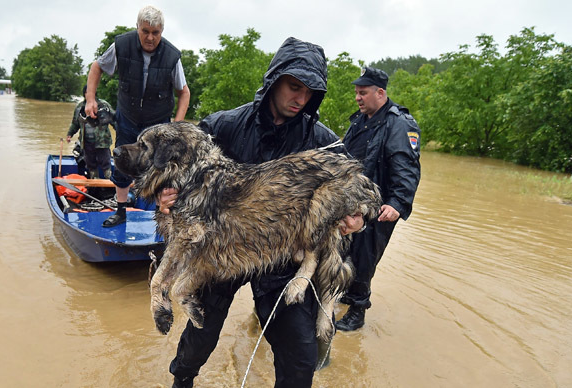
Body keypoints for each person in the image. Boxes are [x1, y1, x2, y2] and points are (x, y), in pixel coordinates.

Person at [157, 37, 364, 388]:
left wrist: (356, 219)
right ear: (274, 80)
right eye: (294, 87)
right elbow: (171, 162)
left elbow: (358, 192)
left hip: (283, 259)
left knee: (300, 354)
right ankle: (182, 380)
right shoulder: (223, 126)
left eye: (310, 92)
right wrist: (166, 192)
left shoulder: (325, 143)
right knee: (199, 338)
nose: (300, 99)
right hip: (222, 251)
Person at [84, 5, 190, 227]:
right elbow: (97, 67)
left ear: (162, 31)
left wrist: (177, 126)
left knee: (161, 168)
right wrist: (91, 99)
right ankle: (121, 211)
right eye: (145, 31)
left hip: (158, 124)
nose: (150, 37)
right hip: (128, 117)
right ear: (138, 28)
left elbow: (184, 93)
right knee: (121, 159)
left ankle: (163, 215)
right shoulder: (121, 45)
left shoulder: (172, 57)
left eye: (156, 32)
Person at [334, 67, 421, 332]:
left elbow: (407, 167)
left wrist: (397, 203)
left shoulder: (399, 123)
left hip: (380, 206)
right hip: (353, 202)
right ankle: (346, 295)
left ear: (380, 93)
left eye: (363, 93)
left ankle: (358, 312)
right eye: (356, 93)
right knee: (344, 251)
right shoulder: (359, 121)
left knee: (365, 256)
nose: (358, 98)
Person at [66, 85, 115, 179]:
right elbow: (75, 123)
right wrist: (69, 134)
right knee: (90, 164)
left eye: (90, 92)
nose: (88, 95)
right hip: (87, 141)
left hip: (102, 141)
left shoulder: (104, 105)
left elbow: (114, 120)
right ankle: (94, 183)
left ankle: (109, 183)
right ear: (84, 94)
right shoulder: (79, 107)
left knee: (105, 163)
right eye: (86, 93)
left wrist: (121, 133)